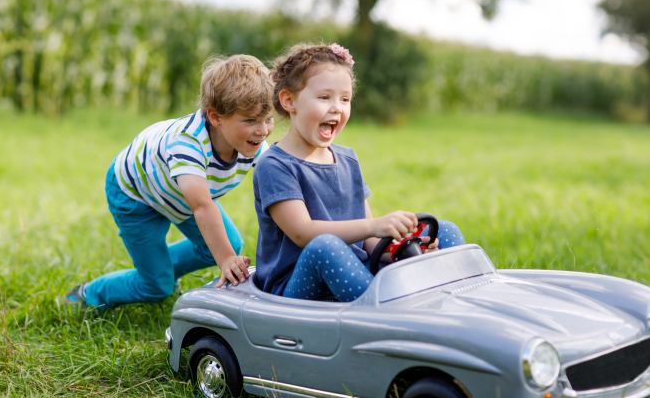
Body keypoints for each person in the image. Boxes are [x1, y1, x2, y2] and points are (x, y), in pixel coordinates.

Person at [253, 43, 465, 302]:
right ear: (289, 101)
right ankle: (387, 313)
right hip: (296, 290)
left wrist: (410, 252)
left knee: (445, 231)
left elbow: (370, 245)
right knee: (325, 246)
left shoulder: (347, 159)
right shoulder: (274, 165)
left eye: (345, 99)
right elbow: (302, 232)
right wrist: (374, 226)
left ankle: (453, 300)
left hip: (355, 272)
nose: (337, 108)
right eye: (324, 97)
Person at [65, 55, 275, 309]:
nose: (262, 130)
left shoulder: (254, 145)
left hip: (178, 193)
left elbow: (277, 191)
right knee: (157, 287)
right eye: (251, 120)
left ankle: (162, 268)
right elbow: (201, 206)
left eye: (268, 119)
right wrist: (227, 259)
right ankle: (88, 294)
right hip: (135, 194)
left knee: (227, 243)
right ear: (216, 117)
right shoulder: (187, 143)